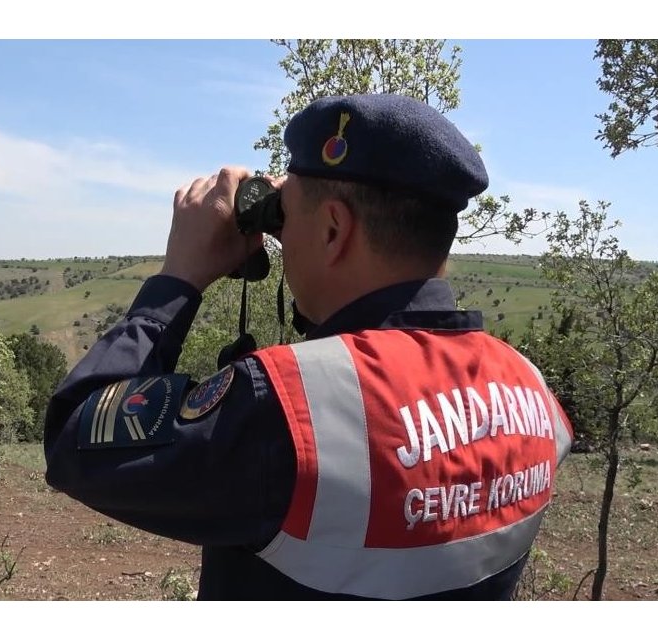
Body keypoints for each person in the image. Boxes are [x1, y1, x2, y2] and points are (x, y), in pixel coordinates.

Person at [42, 93, 573, 600]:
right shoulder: (532, 391)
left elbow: (73, 439)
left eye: (286, 217)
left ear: (333, 230)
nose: (281, 236)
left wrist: (177, 280)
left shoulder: (291, 410)